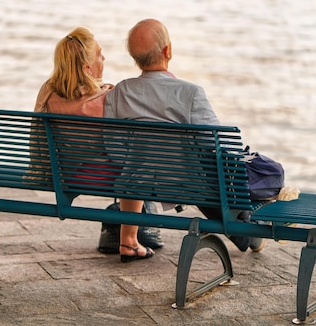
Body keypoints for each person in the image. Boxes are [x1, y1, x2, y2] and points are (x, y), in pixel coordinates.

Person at [104, 19, 265, 253]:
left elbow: (114, 148)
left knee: (201, 168)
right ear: (168, 51)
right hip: (186, 186)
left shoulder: (119, 92)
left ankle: (244, 230)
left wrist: (142, 164)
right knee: (239, 168)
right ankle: (246, 228)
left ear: (135, 58)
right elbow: (220, 146)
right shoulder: (190, 93)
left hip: (138, 181)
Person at [34, 27, 154, 262]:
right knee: (138, 164)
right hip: (106, 180)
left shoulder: (48, 93)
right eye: (99, 54)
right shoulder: (108, 98)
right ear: (88, 67)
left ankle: (126, 231)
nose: (104, 58)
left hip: (65, 177)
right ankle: (129, 241)